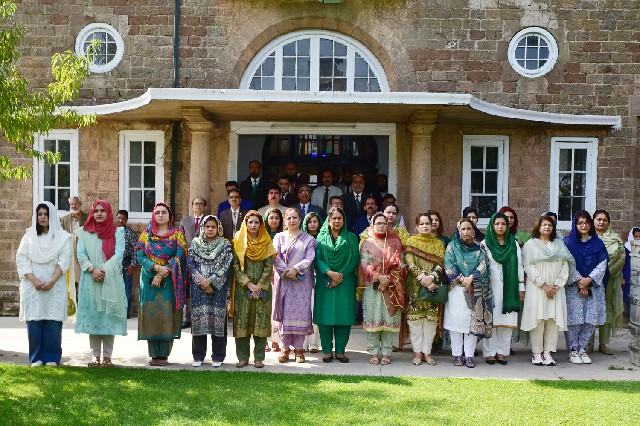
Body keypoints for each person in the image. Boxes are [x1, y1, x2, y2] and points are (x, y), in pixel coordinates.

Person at [17, 202, 71, 367]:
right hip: (32, 285)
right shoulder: (29, 236)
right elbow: (22, 258)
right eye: (39, 214)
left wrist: (52, 281)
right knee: (34, 321)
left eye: (46, 214)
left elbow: (64, 260)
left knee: (52, 321)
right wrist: (34, 280)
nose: (42, 217)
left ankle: (52, 357)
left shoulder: (63, 237)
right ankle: (36, 357)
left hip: (54, 285)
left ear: (52, 216)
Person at [75, 200, 128, 367]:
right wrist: (93, 270)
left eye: (102, 211)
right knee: (94, 317)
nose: (99, 213)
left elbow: (119, 254)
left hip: (110, 279)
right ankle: (95, 356)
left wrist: (104, 270)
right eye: (96, 210)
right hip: (90, 280)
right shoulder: (84, 232)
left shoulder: (117, 232)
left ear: (108, 213)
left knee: (108, 317)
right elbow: (81, 254)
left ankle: (107, 356)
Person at [136, 203, 188, 367]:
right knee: (151, 313)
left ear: (169, 216)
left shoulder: (177, 234)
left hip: (169, 280)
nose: (160, 215)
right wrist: (156, 268)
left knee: (167, 314)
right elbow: (139, 255)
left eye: (164, 212)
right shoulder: (147, 234)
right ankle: (153, 354)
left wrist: (163, 272)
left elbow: (180, 255)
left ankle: (164, 355)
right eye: (157, 212)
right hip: (149, 279)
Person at [521, 215, 572, 366]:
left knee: (552, 320)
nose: (547, 227)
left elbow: (565, 265)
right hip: (537, 287)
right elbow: (528, 266)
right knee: (538, 319)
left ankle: (548, 352)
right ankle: (536, 353)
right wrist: (544, 285)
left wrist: (556, 285)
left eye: (550, 225)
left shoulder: (559, 244)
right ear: (538, 227)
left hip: (555, 289)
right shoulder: (530, 245)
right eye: (544, 225)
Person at [443, 218, 492, 368]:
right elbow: (448, 264)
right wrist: (462, 279)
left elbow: (484, 265)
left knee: (471, 324)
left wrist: (471, 278)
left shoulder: (479, 248)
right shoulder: (452, 247)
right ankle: (457, 355)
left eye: (468, 229)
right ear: (458, 230)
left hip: (475, 290)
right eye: (462, 229)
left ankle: (469, 355)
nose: (465, 232)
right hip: (456, 290)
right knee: (456, 323)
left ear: (473, 230)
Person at [359, 212, 407, 365]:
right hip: (372, 287)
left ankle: (386, 352)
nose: (381, 226)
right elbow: (364, 264)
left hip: (391, 286)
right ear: (372, 225)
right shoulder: (367, 243)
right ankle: (373, 352)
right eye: (378, 223)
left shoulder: (395, 241)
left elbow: (401, 263)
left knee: (388, 319)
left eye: (384, 223)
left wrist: (388, 278)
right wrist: (379, 277)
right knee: (373, 318)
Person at [186, 215, 234, 368]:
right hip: (199, 288)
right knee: (199, 320)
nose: (210, 229)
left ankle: (218, 356)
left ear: (218, 228)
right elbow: (190, 263)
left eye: (213, 227)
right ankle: (198, 355)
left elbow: (226, 265)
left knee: (217, 321)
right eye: (207, 227)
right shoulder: (195, 243)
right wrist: (202, 281)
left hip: (217, 288)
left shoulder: (225, 245)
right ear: (203, 228)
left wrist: (211, 281)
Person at [272, 208, 318, 363]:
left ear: (300, 219)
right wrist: (286, 271)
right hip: (284, 280)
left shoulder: (308, 239)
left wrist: (295, 269)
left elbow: (309, 257)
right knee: (284, 314)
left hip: (301, 282)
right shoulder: (279, 237)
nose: (292, 220)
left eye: (295, 217)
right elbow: (275, 256)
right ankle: (285, 349)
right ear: (285, 220)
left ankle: (299, 350)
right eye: (289, 218)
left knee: (300, 314)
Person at [314, 207, 360, 363]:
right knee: (324, 317)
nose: (337, 221)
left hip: (345, 282)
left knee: (343, 316)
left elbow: (354, 259)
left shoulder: (351, 238)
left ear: (344, 220)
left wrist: (339, 276)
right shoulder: (320, 239)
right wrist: (329, 273)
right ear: (328, 220)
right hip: (325, 281)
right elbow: (317, 258)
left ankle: (340, 351)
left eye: (340, 218)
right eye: (334, 218)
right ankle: (327, 351)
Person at [231, 211, 276, 368]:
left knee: (260, 322)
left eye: (256, 222)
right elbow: (235, 265)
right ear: (245, 223)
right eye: (250, 222)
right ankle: (242, 357)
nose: (253, 225)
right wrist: (248, 284)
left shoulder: (266, 242)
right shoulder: (238, 240)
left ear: (261, 224)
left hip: (262, 290)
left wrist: (259, 286)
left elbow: (269, 266)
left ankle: (259, 358)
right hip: (242, 289)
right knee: (242, 322)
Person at [563, 210, 607, 364]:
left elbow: (602, 264)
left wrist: (588, 280)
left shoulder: (597, 243)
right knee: (574, 319)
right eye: (580, 223)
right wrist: (579, 281)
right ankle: (573, 350)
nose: (584, 225)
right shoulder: (568, 243)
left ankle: (583, 348)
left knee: (590, 319)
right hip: (574, 288)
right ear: (575, 224)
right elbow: (567, 264)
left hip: (593, 287)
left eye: (587, 222)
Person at [480, 213, 524, 366]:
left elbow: (519, 267)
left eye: (503, 224)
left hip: (510, 288)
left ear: (507, 226)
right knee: (491, 320)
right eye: (497, 224)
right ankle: (489, 352)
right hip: (491, 288)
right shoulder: (485, 243)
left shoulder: (513, 243)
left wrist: (521, 288)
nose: (500, 227)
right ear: (492, 225)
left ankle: (501, 352)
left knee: (506, 319)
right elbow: (481, 265)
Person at [404, 213, 446, 366]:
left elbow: (441, 264)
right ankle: (417, 352)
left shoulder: (438, 244)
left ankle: (427, 353)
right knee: (415, 322)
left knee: (430, 322)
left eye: (427, 223)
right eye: (421, 224)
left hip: (433, 288)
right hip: (415, 287)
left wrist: (432, 278)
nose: (425, 226)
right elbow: (410, 263)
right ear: (416, 226)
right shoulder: (411, 242)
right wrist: (423, 279)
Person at [591, 209, 625, 355]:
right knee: (591, 308)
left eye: (605, 220)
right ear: (593, 220)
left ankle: (603, 343)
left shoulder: (615, 239)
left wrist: (608, 271)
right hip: (591, 279)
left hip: (610, 278)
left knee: (606, 309)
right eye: (599, 219)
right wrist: (594, 274)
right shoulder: (587, 237)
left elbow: (622, 257)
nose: (601, 222)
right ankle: (588, 344)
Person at [60, 196, 88, 303]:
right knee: (70, 279)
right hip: (69, 252)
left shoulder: (87, 218)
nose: (73, 206)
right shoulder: (64, 219)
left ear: (80, 205)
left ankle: (81, 305)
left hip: (82, 253)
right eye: (71, 204)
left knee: (81, 280)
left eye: (76, 204)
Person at [302, 211, 323, 352]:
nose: (313, 224)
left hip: (320, 278)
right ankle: (303, 343)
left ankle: (315, 343)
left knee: (316, 310)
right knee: (304, 311)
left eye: (315, 221)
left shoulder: (323, 239)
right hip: (304, 279)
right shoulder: (301, 238)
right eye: (310, 222)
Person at [116, 210, 138, 318]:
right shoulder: (111, 231)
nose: (121, 220)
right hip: (113, 262)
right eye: (119, 218)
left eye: (123, 219)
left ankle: (125, 313)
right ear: (116, 218)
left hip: (126, 262)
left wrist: (132, 265)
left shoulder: (130, 233)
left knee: (126, 289)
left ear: (126, 220)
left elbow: (135, 249)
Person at [623, 227, 640, 321]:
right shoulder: (626, 248)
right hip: (628, 274)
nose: (638, 238)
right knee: (629, 296)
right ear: (631, 237)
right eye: (636, 236)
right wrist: (622, 277)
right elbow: (622, 263)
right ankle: (632, 319)